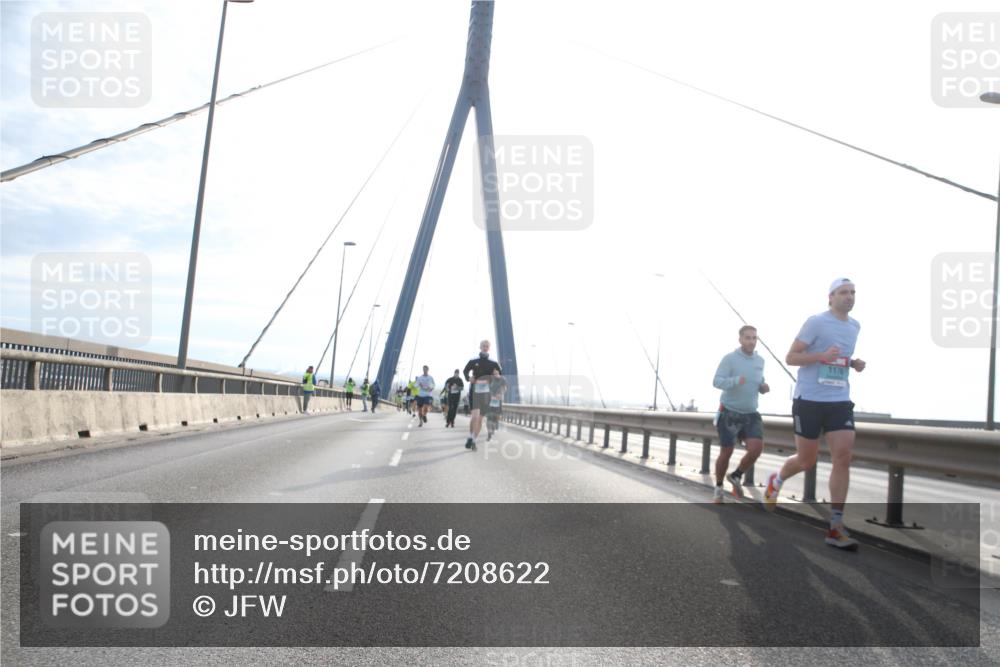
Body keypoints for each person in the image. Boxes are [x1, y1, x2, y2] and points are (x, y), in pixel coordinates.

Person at [764, 278, 866, 551]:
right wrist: (820, 356)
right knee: (807, 460)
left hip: (839, 399)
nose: (849, 296)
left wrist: (853, 363)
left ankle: (835, 526)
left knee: (843, 457)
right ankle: (778, 479)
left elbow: (840, 359)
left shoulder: (855, 326)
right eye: (843, 292)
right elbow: (791, 357)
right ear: (830, 297)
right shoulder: (816, 322)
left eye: (853, 292)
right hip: (808, 399)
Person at [711, 325, 769, 504]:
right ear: (740, 340)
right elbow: (716, 381)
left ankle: (736, 476)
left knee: (756, 449)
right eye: (748, 338)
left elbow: (759, 381)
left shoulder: (760, 361)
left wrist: (763, 387)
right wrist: (735, 381)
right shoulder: (730, 359)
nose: (751, 341)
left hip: (751, 413)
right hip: (729, 413)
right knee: (726, 452)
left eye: (754, 338)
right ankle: (719, 487)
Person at [462, 339, 502, 450]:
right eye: (483, 345)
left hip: (486, 393)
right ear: (480, 347)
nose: (485, 347)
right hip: (474, 392)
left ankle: (473, 440)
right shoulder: (473, 360)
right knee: (474, 417)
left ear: (489, 348)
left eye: (487, 346)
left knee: (480, 419)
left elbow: (499, 376)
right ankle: (470, 436)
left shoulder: (494, 363)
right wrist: (468, 378)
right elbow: (465, 371)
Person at [486, 369, 508, 441]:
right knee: (489, 417)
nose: (495, 374)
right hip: (490, 401)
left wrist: (500, 393)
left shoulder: (503, 379)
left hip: (498, 401)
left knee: (496, 417)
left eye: (496, 373)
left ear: (499, 372)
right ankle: (489, 433)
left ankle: (494, 426)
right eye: (494, 373)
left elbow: (504, 388)